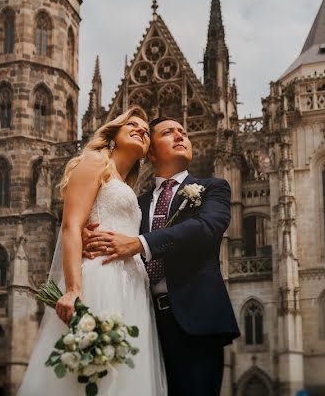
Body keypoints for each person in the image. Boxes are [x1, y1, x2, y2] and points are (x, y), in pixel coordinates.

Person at [84, 117, 240, 395]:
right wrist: (89, 237)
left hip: (196, 322)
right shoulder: (136, 203)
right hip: (143, 321)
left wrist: (140, 243)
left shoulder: (214, 188)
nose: (180, 136)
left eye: (183, 132)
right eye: (169, 133)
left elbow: (206, 229)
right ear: (151, 153)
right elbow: (112, 236)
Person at [18, 106, 168, 395]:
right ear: (113, 134)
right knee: (91, 373)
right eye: (132, 125)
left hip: (133, 286)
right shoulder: (94, 161)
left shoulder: (127, 184)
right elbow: (71, 225)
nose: (141, 131)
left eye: (146, 132)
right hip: (103, 277)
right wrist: (74, 289)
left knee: (123, 374)